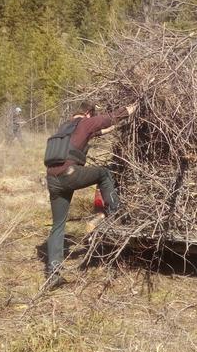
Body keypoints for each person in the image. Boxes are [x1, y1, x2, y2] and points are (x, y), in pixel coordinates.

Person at [43, 100, 137, 289]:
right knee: (104, 173)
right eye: (92, 115)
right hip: (70, 175)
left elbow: (101, 131)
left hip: (52, 180)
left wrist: (116, 127)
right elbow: (110, 119)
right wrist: (130, 109)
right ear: (88, 113)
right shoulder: (86, 122)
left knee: (58, 225)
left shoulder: (65, 127)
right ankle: (115, 210)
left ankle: (53, 271)